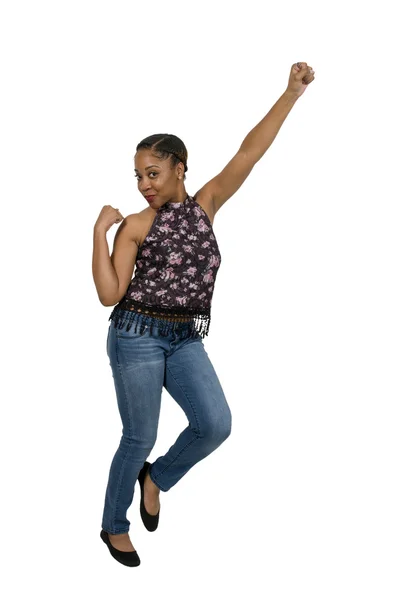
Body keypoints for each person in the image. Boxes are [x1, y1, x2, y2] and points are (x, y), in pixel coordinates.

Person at [92, 62, 315, 567]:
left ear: (179, 168)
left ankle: (157, 478)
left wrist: (291, 93)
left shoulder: (205, 205)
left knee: (214, 424)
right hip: (136, 335)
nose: (144, 184)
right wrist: (98, 235)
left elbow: (250, 152)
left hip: (185, 336)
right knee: (139, 435)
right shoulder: (135, 224)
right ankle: (112, 525)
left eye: (153, 173)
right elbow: (110, 294)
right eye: (138, 176)